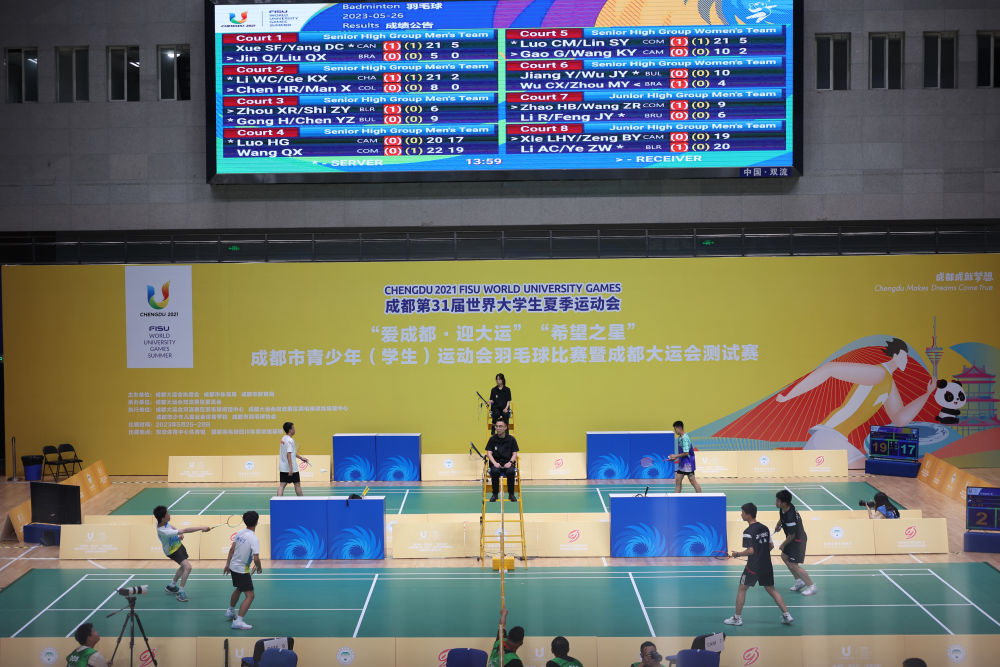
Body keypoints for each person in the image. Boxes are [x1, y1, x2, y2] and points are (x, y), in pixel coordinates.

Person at [775, 338, 936, 466]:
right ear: (897, 355)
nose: (907, 360)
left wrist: (927, 394)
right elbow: (829, 368)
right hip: (829, 434)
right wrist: (789, 396)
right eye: (905, 356)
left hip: (831, 438)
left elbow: (900, 419)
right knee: (862, 472)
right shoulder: (878, 373)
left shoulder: (889, 383)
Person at [723, 502, 794, 627]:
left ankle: (737, 618)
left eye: (742, 513)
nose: (741, 514)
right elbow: (771, 546)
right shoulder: (765, 528)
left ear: (748, 515)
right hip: (766, 564)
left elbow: (751, 551)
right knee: (771, 589)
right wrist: (762, 554)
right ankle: (787, 615)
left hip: (753, 566)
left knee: (742, 589)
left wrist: (738, 554)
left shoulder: (748, 531)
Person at [153, 505, 210, 602]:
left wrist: (178, 534)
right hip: (173, 551)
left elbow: (171, 526)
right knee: (188, 567)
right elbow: (185, 530)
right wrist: (202, 527)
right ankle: (180, 592)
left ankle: (171, 586)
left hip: (178, 546)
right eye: (167, 514)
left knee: (183, 566)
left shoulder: (161, 522)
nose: (169, 515)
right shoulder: (163, 531)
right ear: (162, 518)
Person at [224, 510, 262, 630]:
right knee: (250, 595)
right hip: (242, 570)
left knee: (239, 588)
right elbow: (256, 558)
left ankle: (230, 610)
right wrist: (259, 567)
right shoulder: (254, 538)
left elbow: (232, 550)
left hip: (233, 567)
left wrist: (227, 564)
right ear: (257, 522)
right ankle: (238, 621)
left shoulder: (240, 533)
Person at [774, 490, 817, 596]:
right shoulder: (785, 508)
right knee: (784, 556)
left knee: (794, 565)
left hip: (798, 540)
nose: (776, 502)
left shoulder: (790, 516)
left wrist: (783, 544)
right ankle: (799, 581)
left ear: (784, 503)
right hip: (793, 538)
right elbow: (782, 517)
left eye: (778, 501)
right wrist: (778, 525)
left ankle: (811, 586)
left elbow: (792, 535)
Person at [485, 418, 519, 502]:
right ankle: (495, 494)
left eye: (500, 426)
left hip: (508, 463)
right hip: (496, 463)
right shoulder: (492, 439)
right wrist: (494, 463)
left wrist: (510, 462)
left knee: (511, 471)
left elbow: (515, 454)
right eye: (496, 426)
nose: (498, 428)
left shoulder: (511, 439)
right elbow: (489, 453)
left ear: (505, 427)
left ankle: (511, 494)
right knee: (494, 471)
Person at [667, 420, 702, 493]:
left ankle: (701, 496)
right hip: (682, 463)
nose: (675, 431)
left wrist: (675, 456)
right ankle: (676, 497)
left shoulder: (684, 438)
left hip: (688, 464)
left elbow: (686, 453)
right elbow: (682, 453)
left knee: (693, 481)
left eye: (675, 429)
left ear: (679, 428)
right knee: (678, 481)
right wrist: (674, 458)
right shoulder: (680, 437)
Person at [277, 421, 309, 497]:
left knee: (282, 485)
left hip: (283, 467)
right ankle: (302, 501)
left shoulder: (283, 438)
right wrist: (291, 469)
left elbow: (291, 453)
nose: (294, 429)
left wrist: (301, 458)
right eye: (293, 428)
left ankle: (277, 501)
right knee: (297, 485)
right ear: (290, 430)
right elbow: (288, 454)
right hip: (292, 468)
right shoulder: (290, 440)